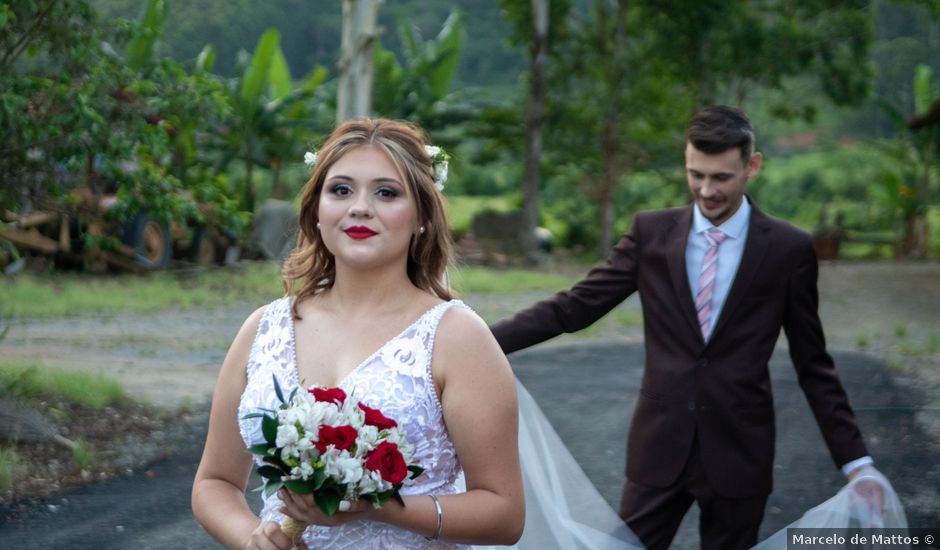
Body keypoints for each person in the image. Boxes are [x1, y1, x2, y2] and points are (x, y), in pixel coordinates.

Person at [490, 105, 885, 550]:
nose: (706, 190)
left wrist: (857, 463)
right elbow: (574, 308)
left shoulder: (788, 250)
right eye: (695, 174)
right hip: (660, 449)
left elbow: (812, 362)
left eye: (721, 178)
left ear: (751, 166)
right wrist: (479, 340)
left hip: (741, 453)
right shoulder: (650, 233)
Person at [192, 118, 524, 549]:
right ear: (316, 209)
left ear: (422, 215)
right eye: (341, 190)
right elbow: (214, 482)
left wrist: (380, 506)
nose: (360, 207)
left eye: (386, 192)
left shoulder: (456, 338)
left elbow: (505, 514)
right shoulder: (264, 329)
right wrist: (251, 539)